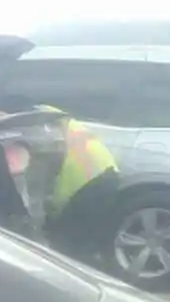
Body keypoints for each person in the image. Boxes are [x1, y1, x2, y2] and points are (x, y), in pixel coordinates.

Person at [39, 106, 121, 261]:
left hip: (88, 184)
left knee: (64, 246)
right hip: (106, 173)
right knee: (82, 240)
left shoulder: (37, 127)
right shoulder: (51, 116)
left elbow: (39, 186)